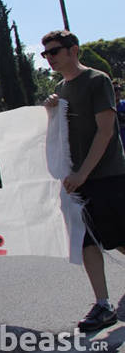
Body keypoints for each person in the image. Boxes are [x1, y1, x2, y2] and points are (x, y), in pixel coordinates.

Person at [42, 30, 125, 332]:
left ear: (73, 50)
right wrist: (51, 109)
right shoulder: (60, 89)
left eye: (54, 51)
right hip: (77, 180)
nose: (49, 58)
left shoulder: (96, 80)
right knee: (87, 240)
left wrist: (82, 173)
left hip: (106, 175)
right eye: (46, 54)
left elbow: (106, 132)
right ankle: (103, 304)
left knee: (118, 240)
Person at [115, 84, 125, 150]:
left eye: (120, 90)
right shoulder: (106, 107)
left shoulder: (124, 104)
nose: (118, 92)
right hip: (115, 140)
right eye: (115, 89)